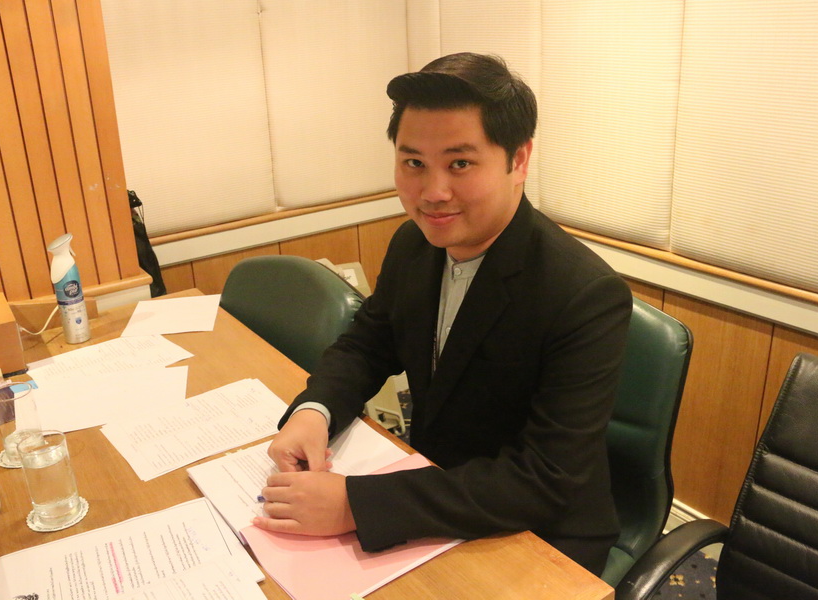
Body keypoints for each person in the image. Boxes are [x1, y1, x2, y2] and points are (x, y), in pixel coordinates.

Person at [252, 52, 632, 576]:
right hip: (435, 488)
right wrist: (314, 412)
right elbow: (369, 342)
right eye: (414, 163)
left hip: (539, 531)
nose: (432, 194)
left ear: (519, 160)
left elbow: (546, 478)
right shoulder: (415, 244)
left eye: (460, 164)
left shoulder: (584, 293)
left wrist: (355, 505)